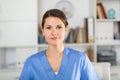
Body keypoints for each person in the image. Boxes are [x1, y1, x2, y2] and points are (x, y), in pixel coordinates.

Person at [19, 9, 99, 80]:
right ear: (43, 31)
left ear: (66, 29)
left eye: (59, 27)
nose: (54, 32)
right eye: (48, 28)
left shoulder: (80, 59)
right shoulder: (32, 62)